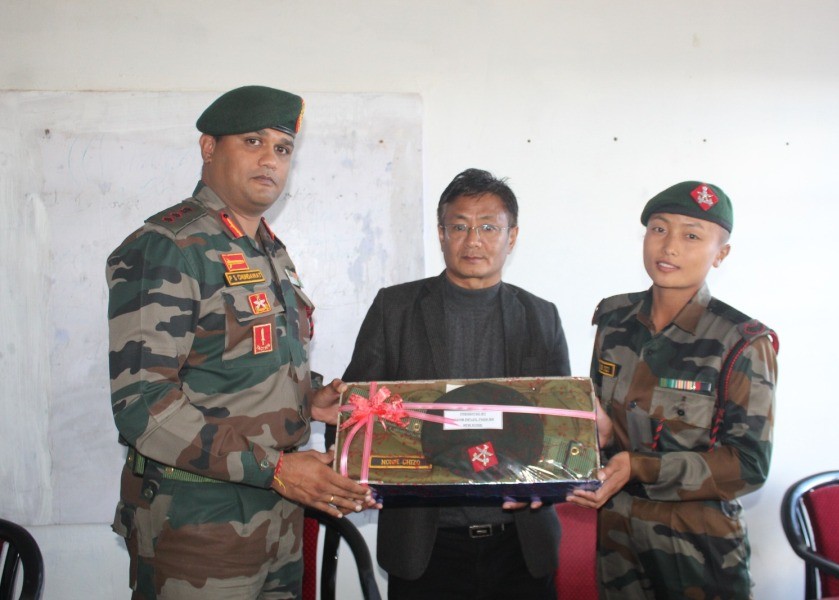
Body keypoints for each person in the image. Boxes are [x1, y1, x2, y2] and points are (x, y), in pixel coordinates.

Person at [106, 85, 377, 600]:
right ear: (209, 147)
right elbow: (143, 406)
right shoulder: (167, 248)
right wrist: (275, 469)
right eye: (253, 141)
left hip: (278, 519)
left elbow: (245, 365)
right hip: (198, 526)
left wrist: (310, 399)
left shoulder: (268, 249)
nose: (270, 160)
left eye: (282, 148)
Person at [342, 168, 570, 599]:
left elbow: (560, 426)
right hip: (426, 545)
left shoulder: (541, 316)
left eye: (489, 227)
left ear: (512, 236)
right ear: (441, 233)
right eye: (460, 227)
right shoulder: (396, 308)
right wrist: (364, 472)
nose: (474, 241)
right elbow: (355, 413)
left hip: (520, 543)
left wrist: (548, 482)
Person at [569, 181, 778, 599]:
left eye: (692, 235)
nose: (670, 247)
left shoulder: (739, 341)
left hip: (698, 551)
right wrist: (599, 435)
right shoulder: (614, 319)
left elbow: (749, 465)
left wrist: (639, 466)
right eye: (659, 229)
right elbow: (600, 419)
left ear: (721, 254)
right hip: (618, 542)